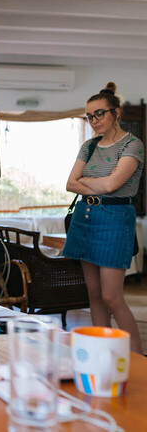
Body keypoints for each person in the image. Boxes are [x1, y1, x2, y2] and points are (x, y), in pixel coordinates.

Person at [64, 83, 143, 354]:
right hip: (86, 217)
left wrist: (88, 181)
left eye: (99, 114)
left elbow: (112, 186)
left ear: (116, 113)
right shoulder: (89, 146)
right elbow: (70, 184)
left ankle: (136, 358)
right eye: (89, 116)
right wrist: (95, 183)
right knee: (94, 295)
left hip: (115, 219)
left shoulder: (133, 145)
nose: (93, 121)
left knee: (112, 296)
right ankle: (101, 352)